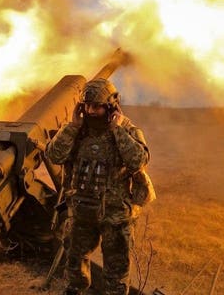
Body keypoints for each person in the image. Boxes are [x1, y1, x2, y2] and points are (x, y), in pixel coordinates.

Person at [46, 78, 151, 295]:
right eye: (87, 106)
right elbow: (54, 155)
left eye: (97, 106)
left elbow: (138, 160)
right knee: (75, 263)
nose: (91, 111)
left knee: (116, 271)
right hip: (82, 212)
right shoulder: (76, 130)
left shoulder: (127, 130)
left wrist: (117, 129)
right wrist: (73, 127)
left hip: (115, 215)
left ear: (111, 106)